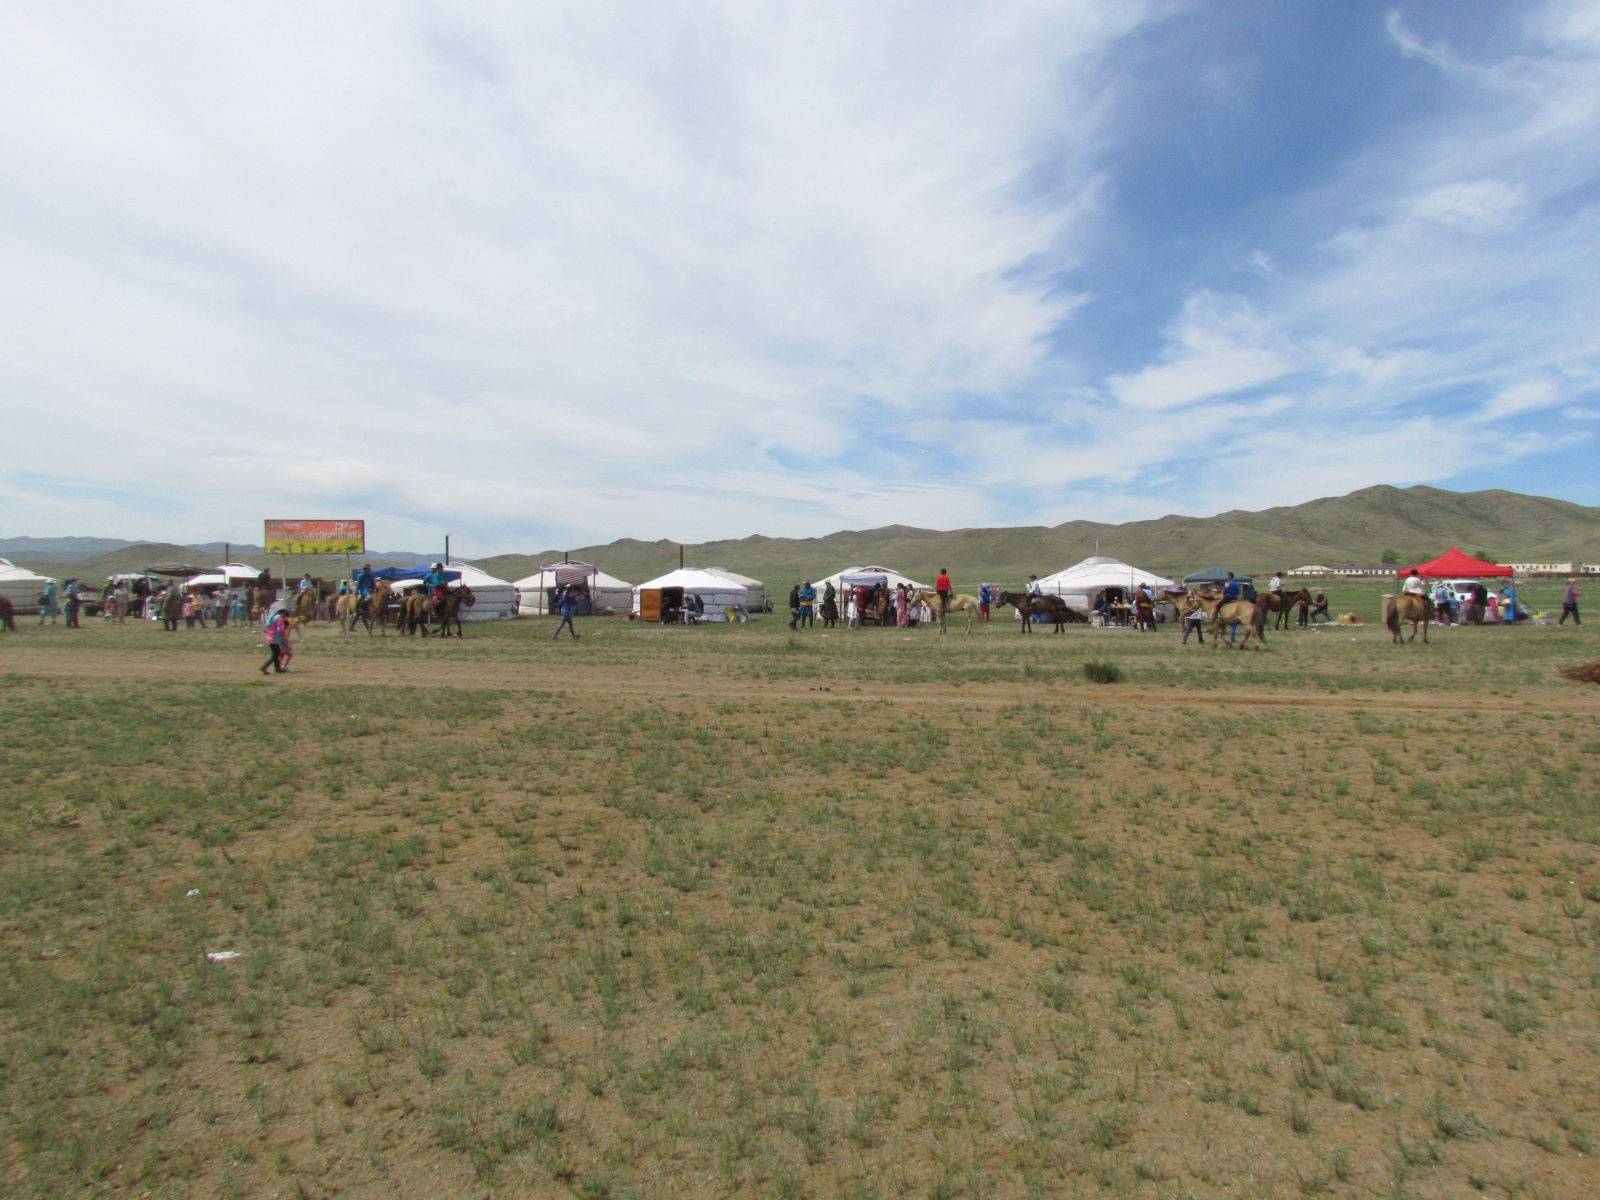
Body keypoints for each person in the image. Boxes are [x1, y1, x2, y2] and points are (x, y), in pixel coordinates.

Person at [261, 606, 289, 674]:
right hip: (275, 637)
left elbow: (266, 627)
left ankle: (277, 668)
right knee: (276, 653)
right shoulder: (279, 619)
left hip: (269, 636)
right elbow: (281, 629)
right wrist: (284, 637)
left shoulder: (272, 617)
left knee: (277, 652)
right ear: (283, 613)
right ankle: (264, 667)